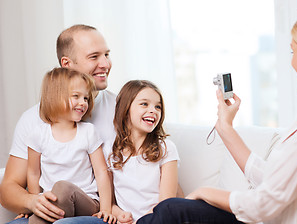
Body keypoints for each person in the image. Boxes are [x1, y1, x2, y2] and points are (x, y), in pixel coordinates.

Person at [137, 8, 297, 224]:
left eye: (293, 52)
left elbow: (262, 205)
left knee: (171, 209)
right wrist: (226, 127)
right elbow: (273, 180)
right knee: (170, 209)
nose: (292, 62)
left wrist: (205, 192)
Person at [0, 25, 116, 224]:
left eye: (107, 54)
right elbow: (9, 189)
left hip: (93, 210)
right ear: (66, 64)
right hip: (52, 209)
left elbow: (158, 159)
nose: (105, 63)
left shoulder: (124, 109)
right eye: (94, 56)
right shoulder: (33, 121)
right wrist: (33, 201)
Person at [25, 68, 115, 224]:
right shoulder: (38, 135)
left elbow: (102, 172)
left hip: (86, 202)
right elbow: (33, 173)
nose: (83, 103)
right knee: (54, 196)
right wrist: (34, 205)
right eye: (76, 96)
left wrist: (106, 209)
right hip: (54, 203)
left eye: (86, 98)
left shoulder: (88, 132)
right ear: (55, 97)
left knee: (62, 187)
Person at [106, 80, 179, 223]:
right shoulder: (110, 150)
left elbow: (166, 204)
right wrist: (120, 214)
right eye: (144, 104)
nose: (153, 110)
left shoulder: (166, 149)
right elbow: (108, 201)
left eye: (158, 106)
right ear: (125, 109)